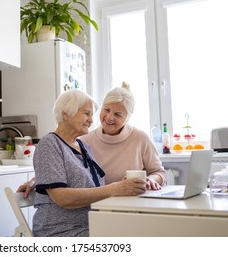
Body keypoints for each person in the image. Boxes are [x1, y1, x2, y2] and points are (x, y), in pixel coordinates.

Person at [32, 89, 146, 237]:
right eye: (86, 113)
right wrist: (114, 188)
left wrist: (122, 186)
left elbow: (92, 189)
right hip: (60, 230)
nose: (92, 120)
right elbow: (61, 197)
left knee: (140, 228)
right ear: (65, 114)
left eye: (92, 115)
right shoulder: (50, 144)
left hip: (92, 224)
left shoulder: (83, 147)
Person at [19, 82, 166, 196]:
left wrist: (151, 180)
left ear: (128, 118)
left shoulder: (140, 138)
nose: (109, 118)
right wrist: (36, 181)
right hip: (100, 207)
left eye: (118, 114)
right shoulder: (83, 141)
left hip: (131, 204)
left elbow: (159, 172)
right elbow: (59, 172)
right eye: (106, 110)